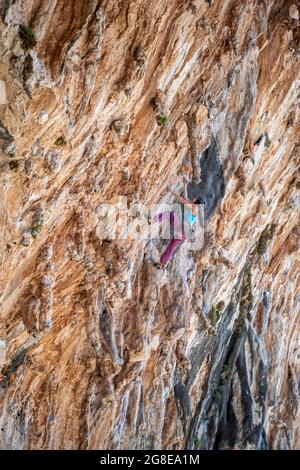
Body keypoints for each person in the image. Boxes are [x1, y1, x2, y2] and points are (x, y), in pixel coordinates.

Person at [152, 188, 206, 268]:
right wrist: (184, 185)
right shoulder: (193, 206)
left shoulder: (194, 207)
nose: (194, 197)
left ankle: (153, 220)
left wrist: (172, 192)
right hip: (184, 234)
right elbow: (185, 197)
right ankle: (161, 264)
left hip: (182, 229)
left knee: (170, 214)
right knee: (171, 247)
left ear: (197, 201)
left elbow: (181, 199)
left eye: (196, 198)